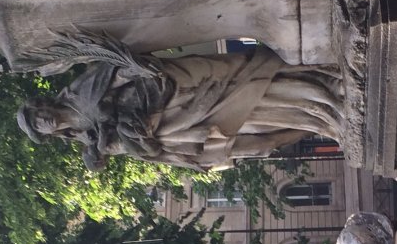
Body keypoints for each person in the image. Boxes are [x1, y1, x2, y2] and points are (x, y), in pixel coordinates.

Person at [17, 45, 343, 171]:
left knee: (234, 88)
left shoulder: (77, 93)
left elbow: (114, 73)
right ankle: (311, 119)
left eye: (36, 116)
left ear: (41, 105)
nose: (42, 122)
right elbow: (121, 144)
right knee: (238, 144)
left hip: (155, 94)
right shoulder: (79, 135)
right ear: (47, 135)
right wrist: (103, 150)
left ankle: (316, 84)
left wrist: (139, 74)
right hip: (157, 131)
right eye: (37, 127)